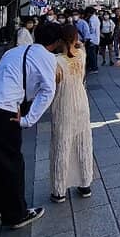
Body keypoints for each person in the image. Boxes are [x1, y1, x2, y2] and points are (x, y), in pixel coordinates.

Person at [0, 21, 63, 229]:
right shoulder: (46, 57)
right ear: (56, 43)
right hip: (4, 110)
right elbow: (48, 90)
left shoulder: (13, 52)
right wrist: (28, 120)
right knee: (9, 163)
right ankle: (15, 214)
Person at [49, 24, 94, 203]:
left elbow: (53, 84)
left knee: (62, 144)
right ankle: (85, 183)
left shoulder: (56, 61)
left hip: (64, 102)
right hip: (81, 102)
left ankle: (59, 190)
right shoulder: (82, 55)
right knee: (83, 142)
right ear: (75, 38)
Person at [85, 7, 100, 74]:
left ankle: (94, 68)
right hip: (95, 38)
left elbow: (92, 29)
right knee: (93, 54)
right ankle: (94, 67)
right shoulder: (96, 18)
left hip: (92, 39)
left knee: (91, 54)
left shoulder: (92, 19)